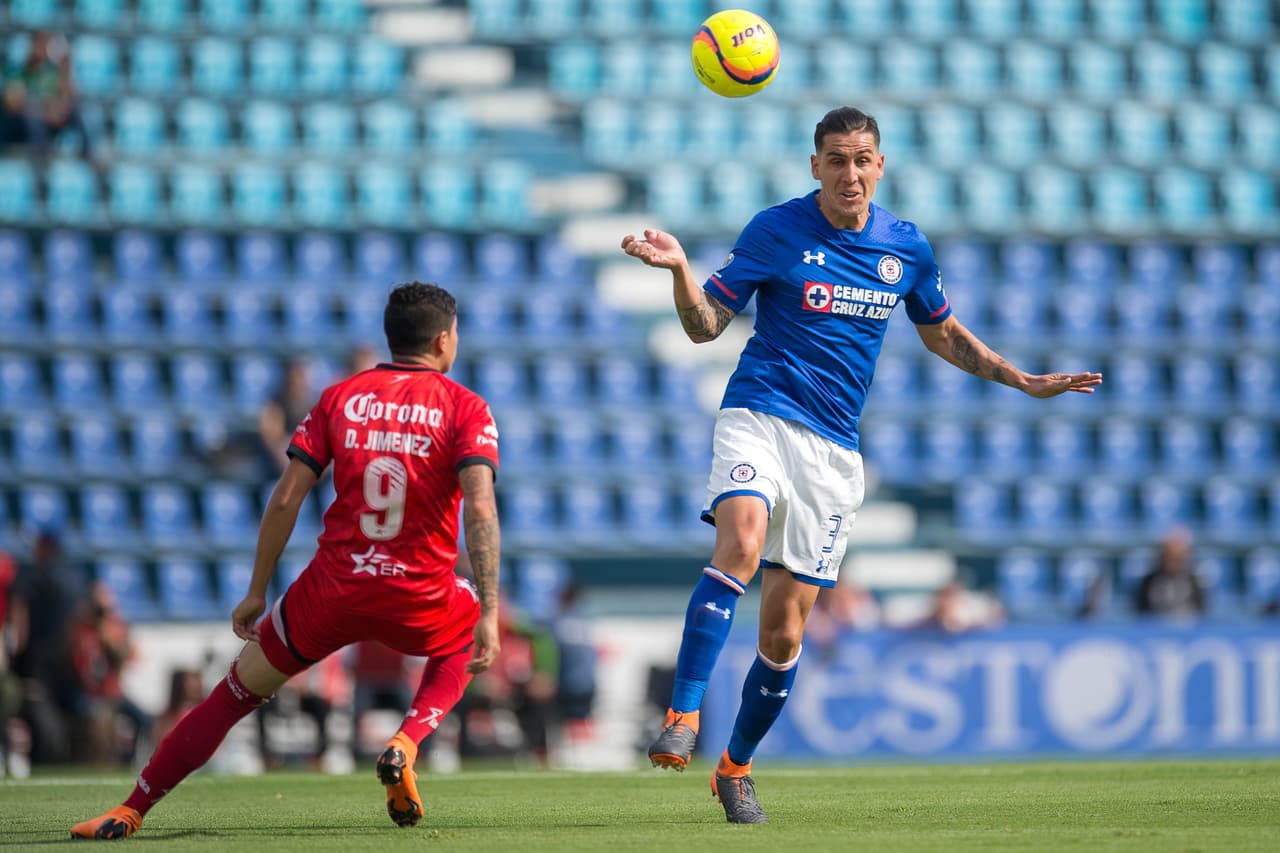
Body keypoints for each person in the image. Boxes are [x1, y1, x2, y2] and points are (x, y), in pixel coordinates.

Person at [620, 106, 1103, 824]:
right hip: (759, 413)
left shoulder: (906, 246)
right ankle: (683, 714)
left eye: (862, 159)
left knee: (784, 634)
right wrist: (682, 271)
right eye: (837, 160)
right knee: (742, 542)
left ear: (880, 165)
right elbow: (704, 326)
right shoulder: (776, 230)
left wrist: (1021, 379)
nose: (850, 173)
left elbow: (942, 332)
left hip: (834, 452)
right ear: (815, 166)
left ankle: (735, 767)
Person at [71, 282, 503, 840]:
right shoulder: (465, 407)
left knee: (231, 696)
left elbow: (286, 498)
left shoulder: (340, 398)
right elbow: (481, 509)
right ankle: (406, 741)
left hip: (331, 592)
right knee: (466, 629)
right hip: (418, 594)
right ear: (444, 340)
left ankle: (131, 809)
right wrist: (491, 611)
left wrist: (257, 589)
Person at [68, 582, 150, 765]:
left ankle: (130, 762)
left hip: (113, 692)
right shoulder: (79, 629)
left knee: (143, 719)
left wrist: (106, 636)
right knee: (97, 722)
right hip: (88, 693)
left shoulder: (117, 628)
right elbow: (75, 664)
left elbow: (125, 657)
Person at [0, 31, 90, 157]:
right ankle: (38, 158)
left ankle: (88, 156)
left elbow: (66, 97)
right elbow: (12, 102)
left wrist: (66, 66)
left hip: (48, 119)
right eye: (39, 44)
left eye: (45, 44)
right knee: (32, 119)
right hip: (19, 123)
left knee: (81, 112)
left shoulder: (51, 72)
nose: (42, 49)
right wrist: (42, 109)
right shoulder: (16, 70)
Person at [1134, 526, 1206, 617]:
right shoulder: (1148, 582)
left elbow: (1201, 614)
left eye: (1177, 558)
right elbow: (1140, 614)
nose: (1172, 562)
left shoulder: (1194, 582)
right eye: (1169, 556)